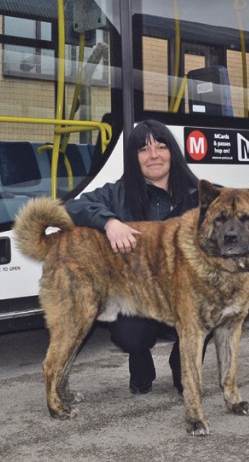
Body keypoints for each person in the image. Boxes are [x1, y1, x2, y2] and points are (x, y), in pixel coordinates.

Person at [64, 119, 200, 395]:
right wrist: (109, 222)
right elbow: (72, 207)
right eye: (144, 149)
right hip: (138, 297)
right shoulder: (118, 193)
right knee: (130, 335)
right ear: (133, 157)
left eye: (161, 147)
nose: (154, 156)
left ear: (172, 152)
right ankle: (141, 367)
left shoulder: (198, 194)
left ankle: (181, 366)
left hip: (186, 294)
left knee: (205, 316)